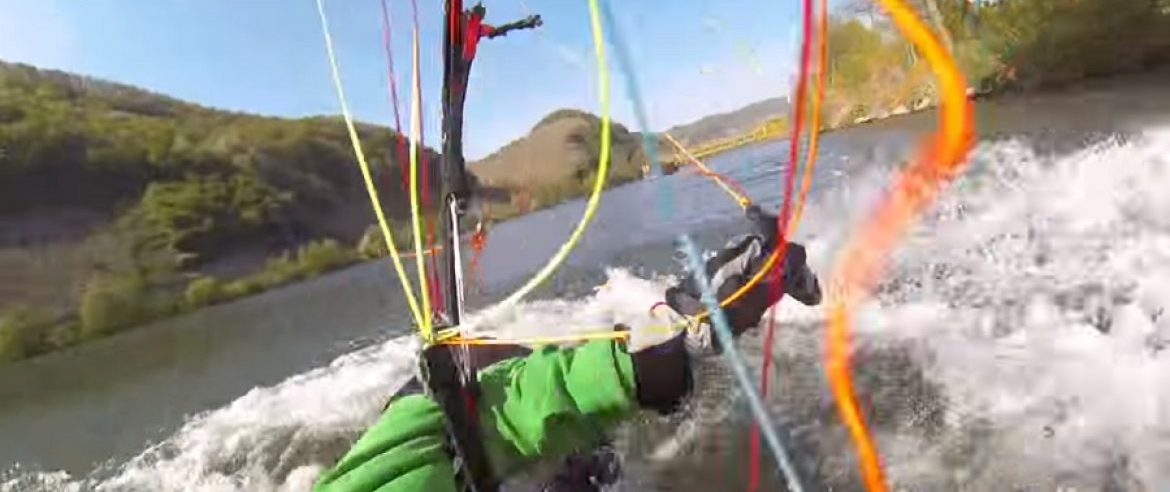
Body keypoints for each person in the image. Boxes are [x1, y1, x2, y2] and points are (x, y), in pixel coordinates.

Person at [312, 204, 821, 492]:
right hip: (446, 415)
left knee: (633, 372)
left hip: (445, 412)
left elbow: (510, 408)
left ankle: (752, 278)